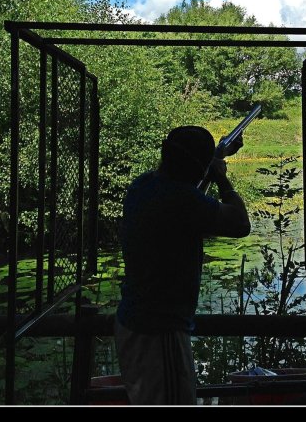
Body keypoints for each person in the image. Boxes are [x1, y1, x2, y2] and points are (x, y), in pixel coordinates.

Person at [115, 125, 250, 405]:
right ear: (197, 167)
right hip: (159, 332)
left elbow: (189, 199)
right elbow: (240, 223)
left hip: (138, 323)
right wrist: (222, 179)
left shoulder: (144, 186)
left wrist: (209, 166)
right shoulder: (179, 198)